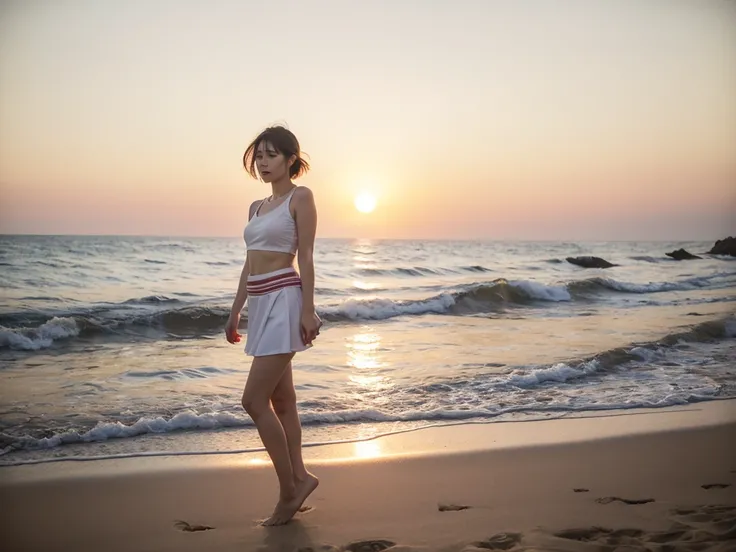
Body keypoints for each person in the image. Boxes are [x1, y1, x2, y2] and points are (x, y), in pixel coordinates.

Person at [225, 125, 322, 526]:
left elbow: (308, 256)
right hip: (261, 303)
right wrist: (235, 311)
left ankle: (289, 490)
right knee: (282, 402)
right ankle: (300, 478)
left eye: (270, 155)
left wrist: (308, 310)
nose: (263, 163)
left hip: (285, 301)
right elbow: (250, 263)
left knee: (253, 401)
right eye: (258, 156)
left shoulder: (301, 198)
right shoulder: (256, 207)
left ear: (290, 159)